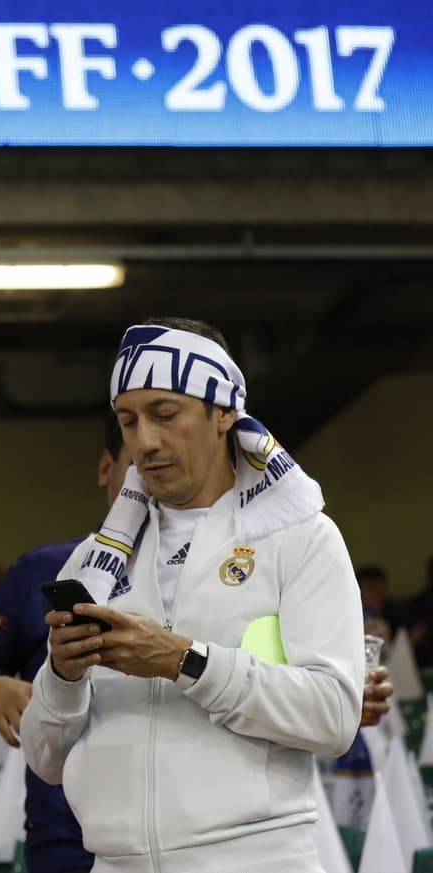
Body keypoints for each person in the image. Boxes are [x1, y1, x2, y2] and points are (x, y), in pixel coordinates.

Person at [22, 318, 364, 872]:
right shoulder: (97, 559)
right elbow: (45, 758)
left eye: (165, 414)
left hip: (256, 860)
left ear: (225, 412)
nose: (145, 442)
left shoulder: (299, 537)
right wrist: (62, 678)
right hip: (114, 862)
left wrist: (185, 661)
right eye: (128, 421)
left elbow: (333, 717)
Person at [0, 414, 130, 873]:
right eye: (138, 463)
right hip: (68, 846)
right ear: (107, 468)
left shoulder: (216, 577)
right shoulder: (46, 570)